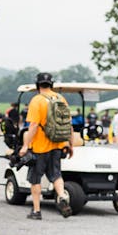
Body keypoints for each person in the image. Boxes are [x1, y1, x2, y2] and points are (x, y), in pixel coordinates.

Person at [17, 72, 74, 220]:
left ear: (37, 85)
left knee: (35, 179)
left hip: (40, 147)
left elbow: (33, 126)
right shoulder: (61, 98)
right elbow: (69, 124)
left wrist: (25, 145)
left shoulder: (37, 100)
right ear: (51, 84)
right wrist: (70, 144)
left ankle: (36, 211)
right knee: (56, 175)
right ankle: (62, 196)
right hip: (58, 144)